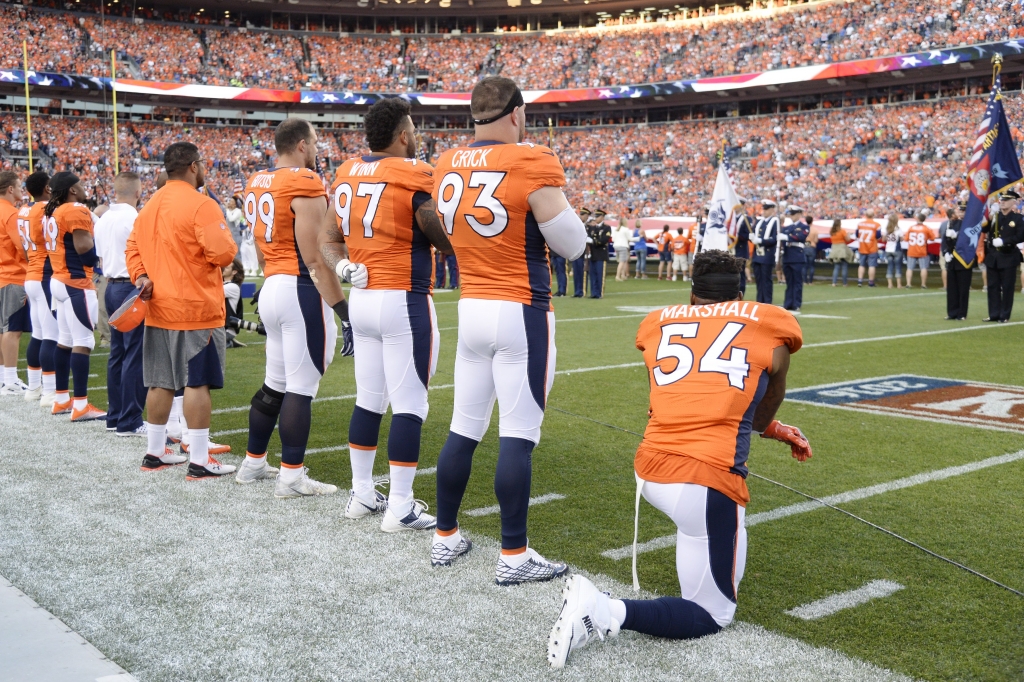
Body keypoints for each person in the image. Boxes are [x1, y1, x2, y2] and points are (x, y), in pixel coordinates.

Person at [546, 250, 810, 668]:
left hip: (651, 470)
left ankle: (610, 608)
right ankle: (605, 610)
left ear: (692, 294)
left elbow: (695, 387)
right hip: (704, 480)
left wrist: (769, 429)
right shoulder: (772, 323)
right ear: (741, 293)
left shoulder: (657, 322)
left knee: (697, 569)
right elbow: (764, 386)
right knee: (712, 614)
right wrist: (768, 423)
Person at [429, 76, 587, 583]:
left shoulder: (447, 162)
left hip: (471, 308)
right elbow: (574, 245)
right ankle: (514, 556)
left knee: (463, 427)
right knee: (517, 435)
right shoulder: (531, 160)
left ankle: (445, 537)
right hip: (520, 309)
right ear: (517, 114)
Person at [325, 98, 455, 527]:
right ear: (403, 134)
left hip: (361, 299)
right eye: (413, 129)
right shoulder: (415, 172)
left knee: (368, 400)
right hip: (403, 298)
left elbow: (328, 238)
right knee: (410, 404)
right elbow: (435, 229)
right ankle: (400, 505)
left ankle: (362, 494)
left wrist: (343, 267)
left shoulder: (346, 171)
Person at [237, 118, 349, 496]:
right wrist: (343, 311)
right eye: (315, 142)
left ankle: (253, 462)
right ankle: (291, 476)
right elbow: (316, 258)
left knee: (276, 383)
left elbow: (262, 244)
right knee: (301, 387)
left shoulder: (257, 180)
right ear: (302, 145)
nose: (317, 150)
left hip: (273, 284)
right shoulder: (303, 180)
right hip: (299, 290)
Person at [126, 142, 238, 478]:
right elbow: (223, 254)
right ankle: (200, 459)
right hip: (195, 308)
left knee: (160, 381)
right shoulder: (201, 205)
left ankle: (155, 452)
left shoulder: (149, 206)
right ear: (194, 166)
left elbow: (132, 250)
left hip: (159, 306)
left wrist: (142, 276)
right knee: (197, 383)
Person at [44, 172, 106, 422]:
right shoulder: (74, 209)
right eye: (80, 184)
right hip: (75, 283)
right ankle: (80, 404)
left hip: (59, 280)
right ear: (72, 190)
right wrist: (98, 263)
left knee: (64, 340)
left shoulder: (54, 212)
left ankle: (61, 399)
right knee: (83, 342)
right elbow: (83, 247)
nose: (83, 188)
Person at [94, 171, 147, 436]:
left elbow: (101, 259)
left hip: (110, 286)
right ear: (138, 192)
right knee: (134, 354)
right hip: (131, 286)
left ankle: (115, 416)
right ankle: (130, 420)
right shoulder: (135, 217)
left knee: (117, 354)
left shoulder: (103, 219)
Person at [19, 171, 57, 405]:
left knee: (39, 334)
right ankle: (49, 391)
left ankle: (34, 387)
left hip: (31, 271)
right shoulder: (44, 209)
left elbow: (25, 247)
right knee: (50, 335)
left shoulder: (24, 209)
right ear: (47, 187)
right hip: (44, 273)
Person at [0, 171, 30, 395]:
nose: (22, 189)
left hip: (2, 275)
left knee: (3, 329)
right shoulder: (10, 213)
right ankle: (10, 379)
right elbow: (23, 247)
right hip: (13, 274)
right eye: (19, 185)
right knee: (12, 329)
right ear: (10, 188)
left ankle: (3, 377)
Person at [981, 189, 1024, 323]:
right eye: (1002, 200)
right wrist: (986, 218)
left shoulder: (1018, 218)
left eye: (1006, 200)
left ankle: (1004, 315)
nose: (1003, 202)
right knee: (992, 286)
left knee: (1007, 287)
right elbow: (984, 229)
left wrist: (1005, 241)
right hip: (994, 256)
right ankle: (994, 314)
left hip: (1008, 256)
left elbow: (1021, 235)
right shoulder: (995, 217)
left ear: (1013, 202)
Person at [943, 200, 971, 320]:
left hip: (964, 259)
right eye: (960, 210)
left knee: (963, 288)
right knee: (952, 288)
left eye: (964, 210)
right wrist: (946, 253)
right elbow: (945, 240)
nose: (962, 212)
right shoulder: (953, 223)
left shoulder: (971, 224)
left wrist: (957, 236)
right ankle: (952, 312)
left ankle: (961, 313)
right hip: (952, 259)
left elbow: (969, 239)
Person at [779, 205, 810, 312]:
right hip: (787, 256)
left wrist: (787, 237)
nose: (791, 216)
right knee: (789, 282)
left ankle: (796, 303)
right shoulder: (788, 227)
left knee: (797, 282)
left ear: (798, 214)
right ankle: (788, 303)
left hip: (797, 257)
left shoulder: (804, 226)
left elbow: (801, 237)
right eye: (790, 214)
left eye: (793, 214)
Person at [750, 199, 778, 303]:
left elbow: (774, 239)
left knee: (766, 280)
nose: (764, 211)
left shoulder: (775, 222)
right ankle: (760, 300)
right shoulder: (759, 221)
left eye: (767, 209)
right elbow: (753, 233)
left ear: (772, 210)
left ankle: (767, 301)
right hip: (757, 255)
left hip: (767, 255)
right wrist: (751, 236)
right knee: (758, 280)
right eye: (764, 209)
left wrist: (761, 240)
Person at [905, 211, 936, 289]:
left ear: (918, 219)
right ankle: (923, 284)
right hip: (922, 250)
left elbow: (906, 239)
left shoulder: (911, 227)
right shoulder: (926, 228)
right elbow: (933, 238)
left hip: (912, 250)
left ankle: (908, 284)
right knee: (923, 268)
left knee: (909, 268)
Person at [587, 209, 611, 298]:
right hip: (593, 254)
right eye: (595, 216)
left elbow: (604, 240)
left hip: (601, 254)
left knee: (600, 275)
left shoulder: (606, 228)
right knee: (593, 275)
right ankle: (594, 292)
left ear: (602, 217)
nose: (596, 218)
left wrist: (593, 241)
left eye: (598, 216)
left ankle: (599, 293)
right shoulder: (594, 228)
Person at [855, 210, 881, 287]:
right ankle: (871, 282)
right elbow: (878, 236)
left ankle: (860, 281)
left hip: (862, 246)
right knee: (872, 265)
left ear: (865, 215)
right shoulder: (876, 225)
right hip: (872, 247)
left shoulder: (860, 224)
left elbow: (857, 234)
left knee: (861, 265)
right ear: (873, 215)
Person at [733, 201, 752, 294]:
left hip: (741, 250)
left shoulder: (746, 219)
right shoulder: (730, 219)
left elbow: (747, 235)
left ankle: (740, 293)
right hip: (731, 250)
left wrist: (737, 236)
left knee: (740, 274)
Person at [571, 207, 590, 297]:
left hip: (585, 252)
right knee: (577, 272)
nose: (581, 216)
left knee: (583, 272)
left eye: (583, 215)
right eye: (581, 214)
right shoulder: (577, 225)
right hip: (576, 252)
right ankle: (577, 291)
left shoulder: (589, 226)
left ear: (587, 216)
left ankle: (582, 290)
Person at [882, 213, 904, 289]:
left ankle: (890, 284)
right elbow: (901, 239)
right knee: (898, 267)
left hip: (888, 249)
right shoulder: (898, 229)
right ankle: (899, 284)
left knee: (890, 266)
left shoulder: (887, 229)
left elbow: (883, 239)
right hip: (896, 249)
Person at [828, 220, 853, 287]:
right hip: (842, 249)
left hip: (834, 249)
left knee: (836, 267)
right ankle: (844, 283)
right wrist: (849, 235)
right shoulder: (842, 231)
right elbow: (847, 239)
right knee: (844, 267)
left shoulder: (831, 231)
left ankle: (834, 283)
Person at [802, 215, 817, 284]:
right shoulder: (814, 230)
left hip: (805, 247)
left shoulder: (803, 229)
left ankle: (805, 281)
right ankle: (810, 281)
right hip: (812, 247)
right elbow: (816, 240)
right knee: (811, 265)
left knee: (804, 266)